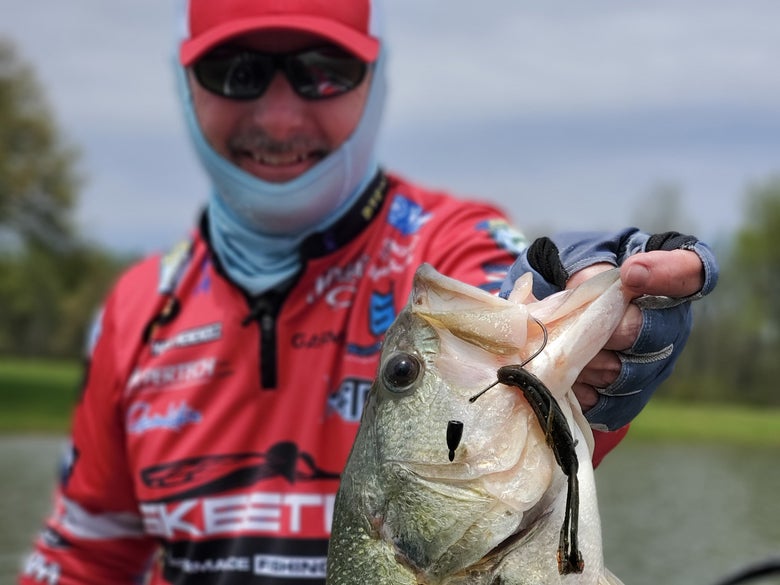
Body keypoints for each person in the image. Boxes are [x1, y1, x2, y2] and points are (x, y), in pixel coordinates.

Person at [19, 1, 718, 584]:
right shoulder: (136, 308)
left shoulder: (441, 244)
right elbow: (89, 553)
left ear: (372, 81)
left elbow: (497, 294)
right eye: (238, 73)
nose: (282, 116)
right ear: (187, 85)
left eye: (324, 73)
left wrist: (575, 292)